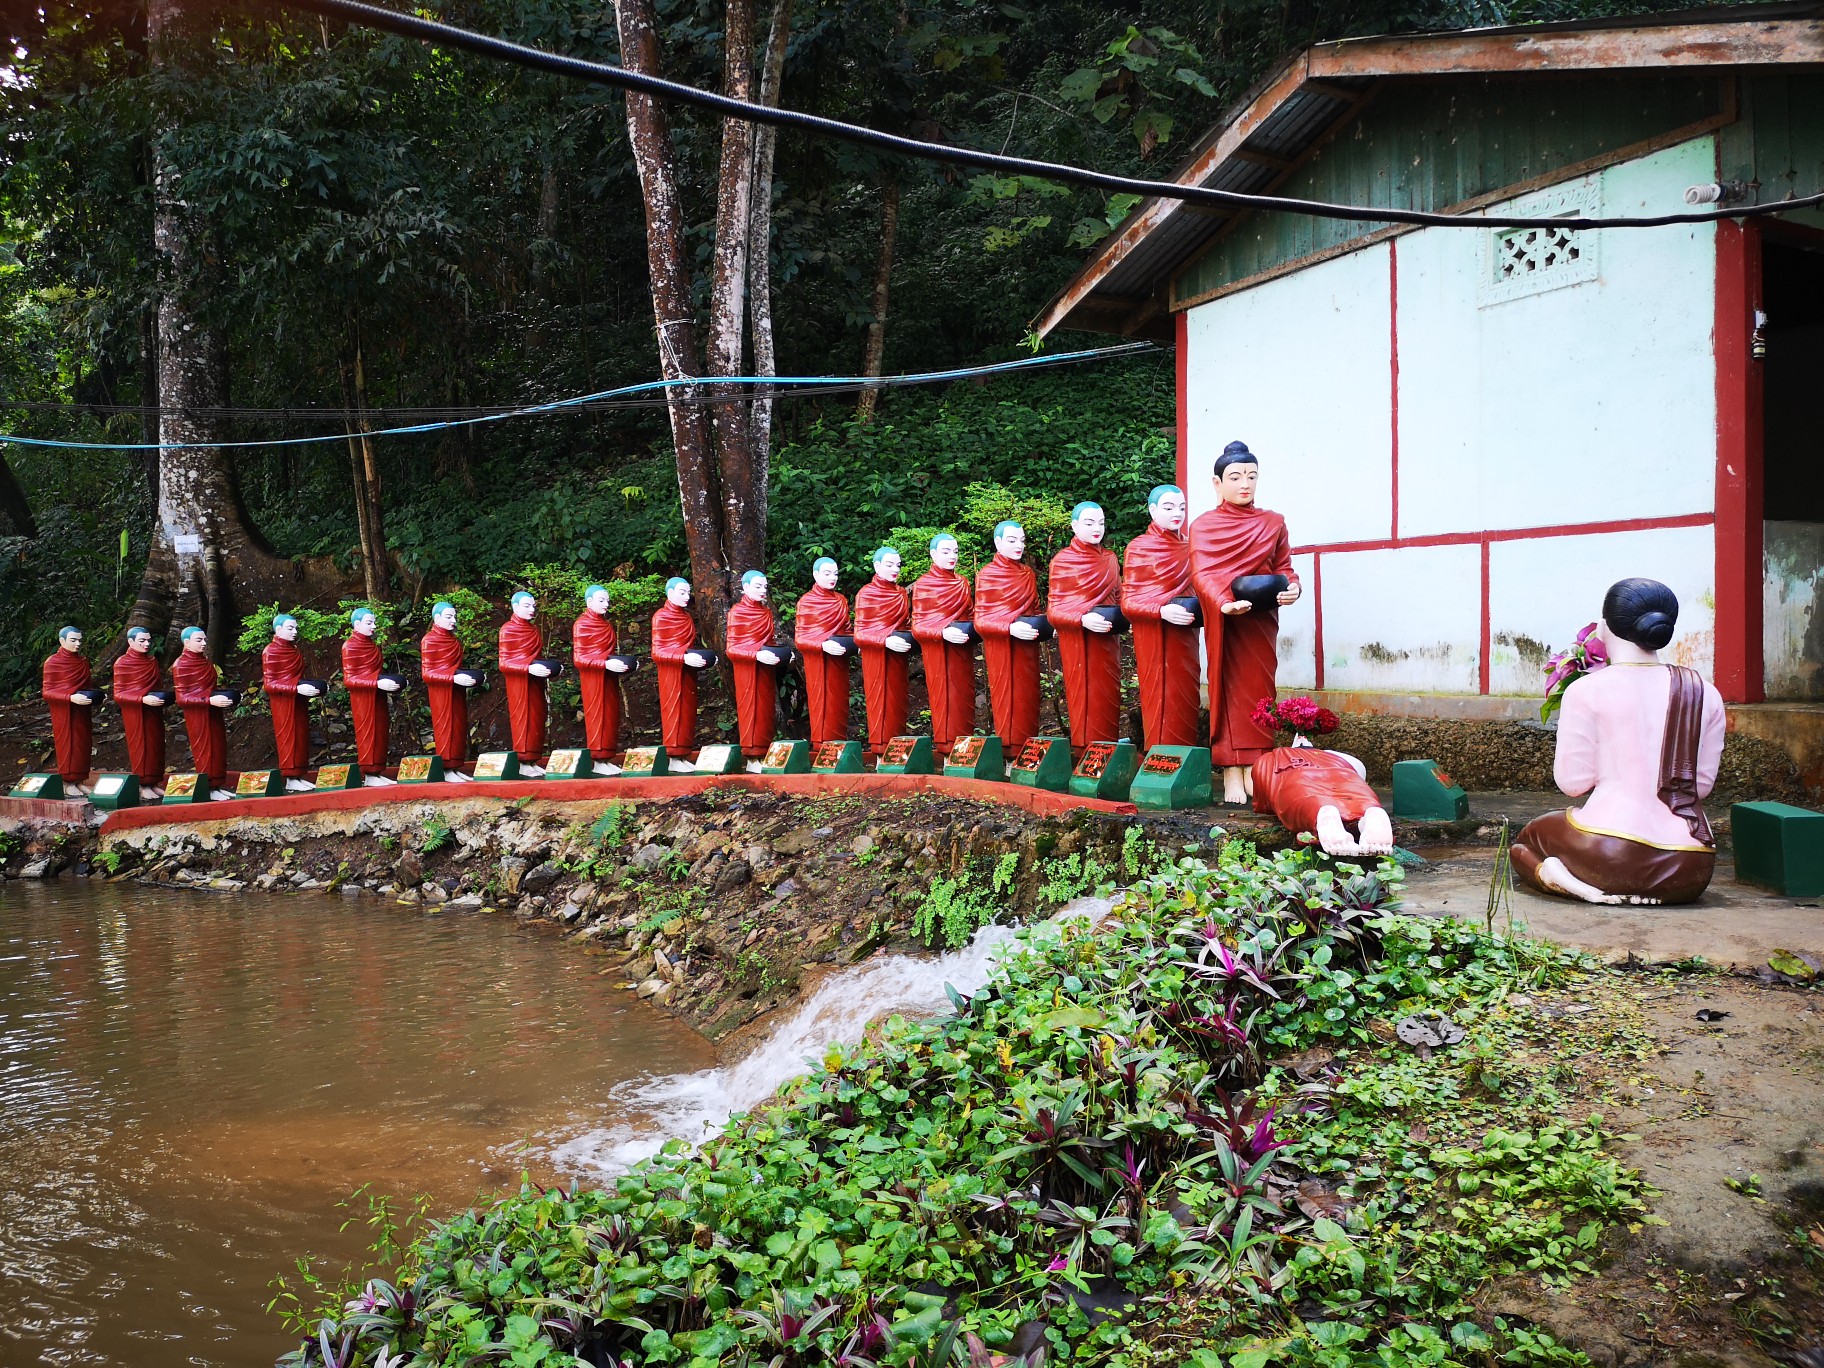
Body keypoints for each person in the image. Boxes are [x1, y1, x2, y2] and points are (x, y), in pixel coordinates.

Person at [1511, 578, 1724, 906]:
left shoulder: (1587, 690)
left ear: (1604, 628)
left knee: (1526, 840)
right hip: (1690, 865)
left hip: (1610, 855)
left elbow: (1572, 782)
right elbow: (1701, 788)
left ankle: (1564, 880)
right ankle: (1575, 879)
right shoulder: (1705, 692)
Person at [1190, 441, 1300, 804]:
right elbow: (1202, 573)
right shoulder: (1204, 526)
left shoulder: (1273, 523)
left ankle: (1257, 769)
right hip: (1227, 620)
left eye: (1252, 476)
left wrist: (1293, 589)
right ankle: (1230, 771)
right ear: (1217, 483)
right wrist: (1223, 603)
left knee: (1260, 688)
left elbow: (1284, 568)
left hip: (1261, 619)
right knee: (1228, 688)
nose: (1245, 484)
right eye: (1235, 477)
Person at [1123, 484, 1202, 750]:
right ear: (1152, 510)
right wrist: (1160, 610)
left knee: (1187, 693)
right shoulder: (1139, 548)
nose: (1176, 513)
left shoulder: (1189, 547)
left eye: (1181, 507)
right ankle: (1158, 758)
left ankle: (1187, 758)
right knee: (1159, 695)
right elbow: (1129, 602)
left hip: (1186, 633)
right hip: (1154, 637)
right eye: (1168, 508)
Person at [1048, 502, 1123, 756]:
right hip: (1078, 642)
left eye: (1101, 523)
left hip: (1108, 639)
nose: (1097, 529)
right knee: (1084, 696)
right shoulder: (1063, 561)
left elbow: (1119, 596)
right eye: (1089, 523)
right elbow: (1054, 610)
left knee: (1109, 695)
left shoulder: (1110, 558)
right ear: (1074, 526)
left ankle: (1109, 751)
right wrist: (1081, 618)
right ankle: (1084, 753)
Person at [1252, 741, 1394, 858]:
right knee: (1358, 795)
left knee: (1305, 797)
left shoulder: (1270, 758)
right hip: (1345, 774)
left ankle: (1322, 813)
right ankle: (1370, 810)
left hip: (1296, 775)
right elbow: (1359, 772)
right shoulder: (1339, 757)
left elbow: (1264, 800)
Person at [975, 521, 1043, 751]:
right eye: (1012, 541)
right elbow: (982, 620)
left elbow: (1034, 608)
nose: (1019, 546)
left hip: (1028, 645)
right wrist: (1009, 627)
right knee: (1008, 698)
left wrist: (1045, 624)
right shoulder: (987, 575)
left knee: (1029, 697)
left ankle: (1029, 750)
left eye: (1022, 540)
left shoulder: (1027, 574)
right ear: (997, 542)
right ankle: (1008, 752)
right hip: (1002, 648)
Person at [911, 534, 977, 750]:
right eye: (946, 552)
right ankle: (947, 750)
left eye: (956, 552)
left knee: (964, 698)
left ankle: (965, 749)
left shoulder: (962, 582)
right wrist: (942, 631)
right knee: (944, 698)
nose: (952, 557)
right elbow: (918, 626)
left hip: (962, 649)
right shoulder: (924, 585)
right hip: (938, 652)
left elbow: (971, 614)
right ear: (933, 554)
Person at [854, 547, 913, 754]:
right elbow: (860, 634)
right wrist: (884, 640)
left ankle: (898, 749)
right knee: (880, 701)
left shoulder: (900, 594)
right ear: (876, 566)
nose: (894, 569)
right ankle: (880, 750)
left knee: (898, 701)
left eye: (897, 565)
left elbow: (905, 625)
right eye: (889, 565)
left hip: (899, 655)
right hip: (876, 656)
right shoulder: (866, 594)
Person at [651, 578, 711, 770]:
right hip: (671, 673)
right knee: (674, 711)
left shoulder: (686, 618)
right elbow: (657, 652)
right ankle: (673, 756)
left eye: (688, 592)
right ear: (669, 593)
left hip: (687, 673)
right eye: (681, 593)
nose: (686, 597)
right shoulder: (661, 617)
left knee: (687, 711)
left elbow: (688, 647)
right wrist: (682, 658)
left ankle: (683, 753)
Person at [726, 570, 783, 767]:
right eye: (757, 586)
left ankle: (764, 751)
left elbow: (769, 641)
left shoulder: (766, 613)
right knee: (751, 709)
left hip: (765, 670)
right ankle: (752, 756)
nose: (762, 591)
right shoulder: (737, 612)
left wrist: (781, 653)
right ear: (745, 587)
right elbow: (732, 649)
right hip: (747, 671)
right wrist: (756, 654)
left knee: (766, 710)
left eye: (764, 587)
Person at [795, 557, 853, 749]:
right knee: (822, 702)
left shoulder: (841, 601)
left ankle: (839, 746)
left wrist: (856, 643)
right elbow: (801, 638)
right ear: (815, 575)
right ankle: (822, 747)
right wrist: (822, 644)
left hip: (840, 660)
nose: (832, 578)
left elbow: (847, 630)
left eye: (835, 574)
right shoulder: (807, 602)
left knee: (839, 702)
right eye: (827, 574)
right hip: (818, 662)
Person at [172, 626, 235, 800]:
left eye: (205, 640)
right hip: (197, 715)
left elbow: (209, 687)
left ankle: (217, 784)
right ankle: (208, 786)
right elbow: (182, 698)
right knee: (205, 748)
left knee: (218, 746)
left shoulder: (205, 662)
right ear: (187, 643)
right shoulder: (181, 665)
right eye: (199, 640)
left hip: (213, 711)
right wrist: (207, 700)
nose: (204, 643)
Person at [420, 601, 478, 781]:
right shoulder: (429, 641)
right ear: (437, 619)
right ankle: (446, 769)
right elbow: (428, 674)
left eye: (454, 616)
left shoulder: (454, 641)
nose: (453, 620)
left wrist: (462, 677)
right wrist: (452, 677)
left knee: (459, 726)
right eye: (448, 617)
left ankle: (455, 767)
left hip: (456, 690)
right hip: (441, 692)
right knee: (446, 726)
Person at [572, 584, 627, 775]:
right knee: (598, 714)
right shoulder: (582, 625)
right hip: (593, 679)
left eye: (607, 600)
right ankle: (597, 759)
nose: (606, 604)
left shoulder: (606, 625)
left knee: (611, 715)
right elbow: (580, 659)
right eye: (601, 600)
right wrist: (604, 663)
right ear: (589, 602)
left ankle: (607, 756)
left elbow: (608, 653)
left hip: (609, 678)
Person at [263, 614, 320, 791]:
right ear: (278, 630)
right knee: (288, 735)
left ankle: (299, 773)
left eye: (296, 628)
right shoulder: (270, 651)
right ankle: (290, 777)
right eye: (290, 628)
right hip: (283, 702)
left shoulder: (294, 650)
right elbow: (270, 684)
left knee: (301, 735)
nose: (295, 632)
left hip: (298, 700)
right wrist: (295, 687)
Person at [342, 608, 399, 786]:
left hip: (377, 696)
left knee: (380, 730)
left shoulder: (372, 646)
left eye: (374, 622)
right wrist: (375, 682)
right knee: (368, 731)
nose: (374, 627)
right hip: (363, 699)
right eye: (369, 623)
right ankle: (369, 773)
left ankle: (377, 770)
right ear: (357, 625)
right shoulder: (349, 646)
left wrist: (382, 682)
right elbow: (350, 680)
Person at [498, 591, 551, 775]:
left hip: (536, 682)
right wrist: (527, 668)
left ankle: (533, 758)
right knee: (523, 717)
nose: (532, 609)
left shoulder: (534, 630)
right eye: (527, 606)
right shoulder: (507, 630)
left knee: (537, 717)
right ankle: (523, 761)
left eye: (533, 606)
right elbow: (504, 663)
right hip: (519, 683)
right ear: (515, 607)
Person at [113, 626, 167, 797]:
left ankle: (154, 781)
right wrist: (141, 699)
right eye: (142, 641)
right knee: (140, 745)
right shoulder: (122, 663)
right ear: (130, 642)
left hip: (153, 711)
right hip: (135, 713)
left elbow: (157, 686)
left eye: (148, 640)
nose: (147, 644)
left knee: (156, 745)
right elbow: (119, 694)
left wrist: (161, 698)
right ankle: (143, 785)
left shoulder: (152, 662)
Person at [41, 625, 94, 793]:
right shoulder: (53, 662)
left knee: (83, 744)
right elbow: (47, 692)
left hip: (82, 710)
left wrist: (94, 695)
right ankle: (68, 783)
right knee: (68, 743)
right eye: (73, 640)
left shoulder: (82, 661)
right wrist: (70, 697)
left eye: (79, 640)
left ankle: (79, 780)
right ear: (62, 641)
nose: (77, 644)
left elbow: (86, 685)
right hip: (64, 711)